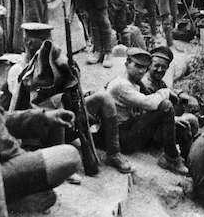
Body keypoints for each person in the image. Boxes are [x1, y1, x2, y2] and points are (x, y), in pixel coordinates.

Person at [0, 3, 81, 217]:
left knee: (44, 183)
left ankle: (9, 196)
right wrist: (23, 158)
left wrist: (42, 117)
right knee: (68, 156)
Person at [7, 22, 133, 174]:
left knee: (103, 98)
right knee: (56, 102)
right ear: (28, 42)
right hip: (39, 128)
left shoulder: (54, 64)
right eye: (44, 41)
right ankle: (62, 166)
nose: (50, 46)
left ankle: (114, 153)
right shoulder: (18, 69)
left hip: (68, 121)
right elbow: (22, 105)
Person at [107, 48, 188, 175]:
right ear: (127, 63)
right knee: (166, 105)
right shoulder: (121, 85)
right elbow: (150, 103)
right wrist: (165, 92)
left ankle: (175, 157)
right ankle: (171, 158)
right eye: (137, 66)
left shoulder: (133, 81)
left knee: (179, 122)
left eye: (144, 67)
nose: (141, 71)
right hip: (121, 138)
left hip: (127, 129)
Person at [141, 46, 199, 159]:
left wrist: (186, 97)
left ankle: (189, 155)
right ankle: (186, 158)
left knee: (184, 109)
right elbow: (148, 114)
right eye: (156, 66)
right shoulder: (146, 84)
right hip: (148, 133)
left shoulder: (157, 80)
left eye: (164, 67)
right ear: (149, 66)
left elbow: (170, 90)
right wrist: (176, 119)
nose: (160, 70)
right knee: (190, 121)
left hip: (157, 125)